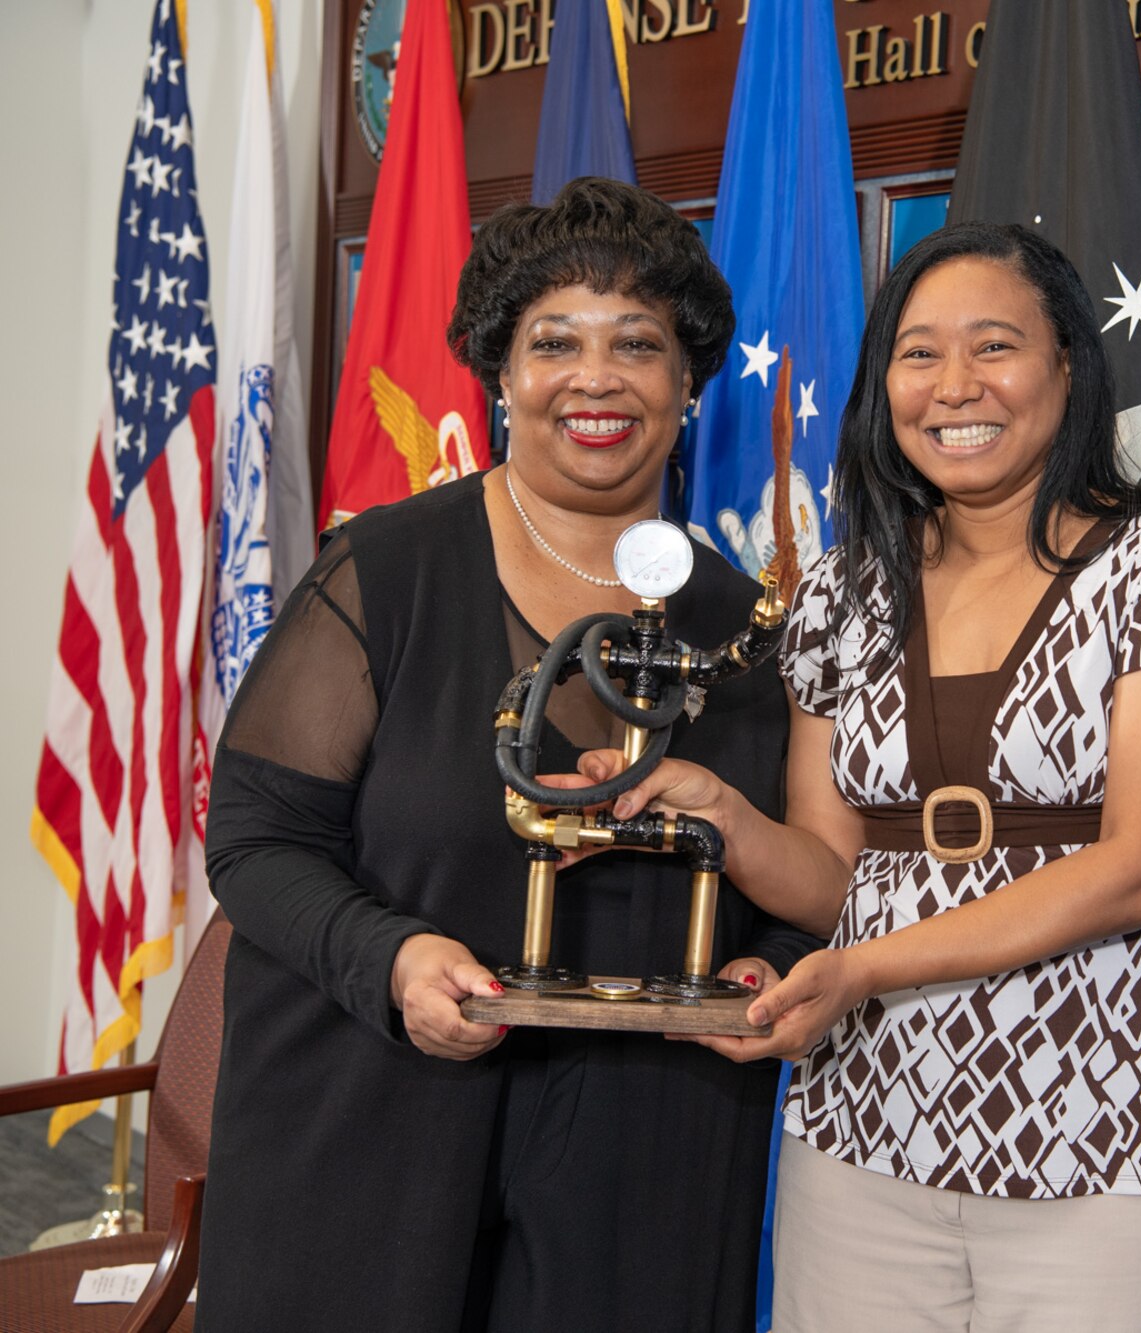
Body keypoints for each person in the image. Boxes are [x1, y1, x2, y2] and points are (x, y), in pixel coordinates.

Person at [584, 222, 1141, 1330]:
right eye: (917, 353)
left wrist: (863, 969)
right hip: (863, 1132)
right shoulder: (837, 596)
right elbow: (830, 879)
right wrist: (719, 812)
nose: (954, 384)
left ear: (1066, 367)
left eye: (993, 345)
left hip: (1109, 1138)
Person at [198, 177, 816, 1331]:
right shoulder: (384, 571)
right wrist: (389, 959)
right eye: (554, 343)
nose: (597, 377)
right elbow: (255, 836)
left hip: (648, 1159)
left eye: (638, 342)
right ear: (500, 376)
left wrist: (763, 967)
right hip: (368, 1128)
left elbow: (787, 869)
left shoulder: (742, 625)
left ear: (687, 383)